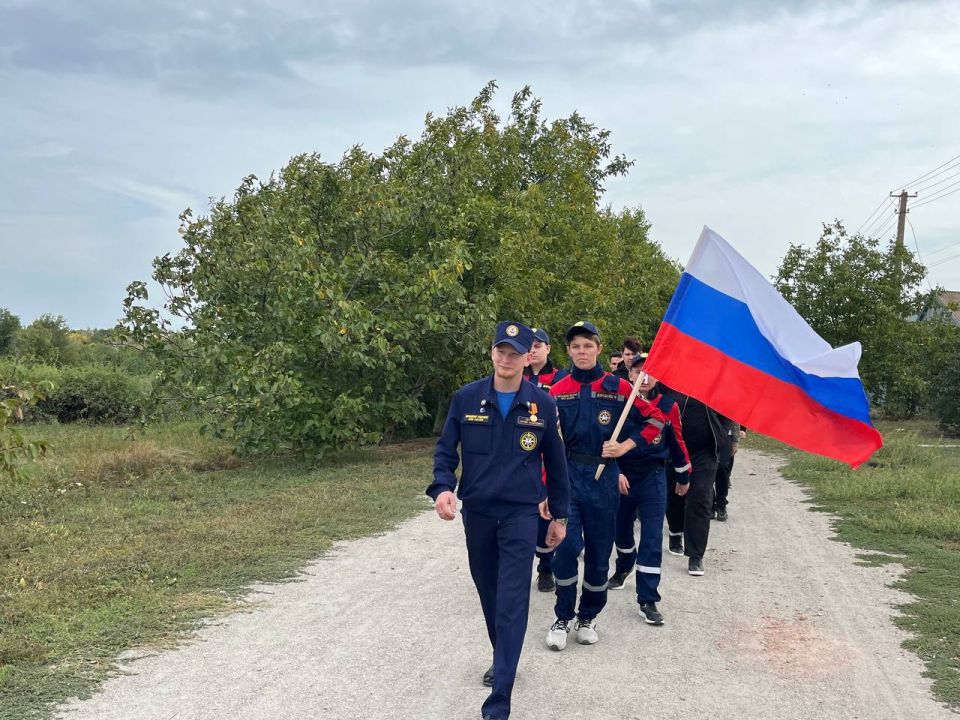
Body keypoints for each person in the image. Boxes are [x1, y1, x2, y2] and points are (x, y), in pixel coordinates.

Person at [428, 320, 570, 720]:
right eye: (500, 351)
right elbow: (444, 453)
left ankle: (499, 703)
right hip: (478, 513)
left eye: (515, 353)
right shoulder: (466, 398)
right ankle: (504, 655)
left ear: (529, 357)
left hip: (521, 515)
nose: (506, 359)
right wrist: (442, 487)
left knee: (512, 600)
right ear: (492, 353)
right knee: (489, 594)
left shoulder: (543, 405)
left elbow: (557, 466)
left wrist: (559, 515)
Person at [545, 321, 667, 650]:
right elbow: (545, 443)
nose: (581, 352)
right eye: (575, 346)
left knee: (599, 555)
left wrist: (625, 446)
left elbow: (657, 420)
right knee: (566, 550)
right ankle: (562, 615)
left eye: (587, 345)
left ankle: (587, 616)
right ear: (567, 351)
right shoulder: (558, 391)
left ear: (599, 348)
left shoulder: (618, 388)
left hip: (604, 480)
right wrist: (545, 488)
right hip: (568, 479)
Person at [607, 353, 691, 625]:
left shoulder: (668, 405)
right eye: (638, 371)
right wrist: (616, 471)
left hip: (653, 477)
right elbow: (606, 442)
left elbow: (676, 440)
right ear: (629, 374)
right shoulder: (618, 402)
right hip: (622, 476)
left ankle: (648, 598)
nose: (643, 377)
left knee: (652, 537)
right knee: (621, 530)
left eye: (649, 372)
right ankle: (623, 565)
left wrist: (683, 474)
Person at [661, 387, 731, 576]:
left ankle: (696, 555)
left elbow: (728, 409)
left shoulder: (711, 381)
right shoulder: (668, 381)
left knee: (701, 497)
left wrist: (725, 437)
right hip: (673, 448)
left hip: (704, 452)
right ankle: (675, 532)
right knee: (674, 494)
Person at [522, 327, 564, 592]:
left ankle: (545, 567)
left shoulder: (561, 379)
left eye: (539, 345)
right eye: (530, 345)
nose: (533, 349)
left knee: (545, 513)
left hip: (548, 453)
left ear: (548, 349)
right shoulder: (516, 376)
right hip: (521, 456)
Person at [712, 422, 742, 521]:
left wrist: (735, 441)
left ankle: (721, 506)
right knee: (707, 471)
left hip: (726, 436)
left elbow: (735, 417)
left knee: (723, 471)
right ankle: (710, 505)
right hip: (707, 434)